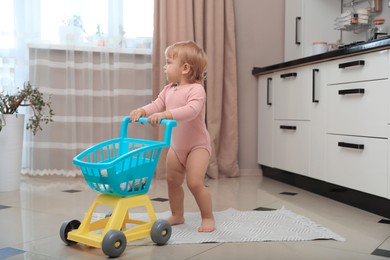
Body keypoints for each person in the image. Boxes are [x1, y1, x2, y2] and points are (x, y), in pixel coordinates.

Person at [129, 40, 215, 232]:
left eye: (168, 62)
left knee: (194, 183)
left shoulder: (197, 90)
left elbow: (191, 111)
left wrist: (167, 114)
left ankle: (208, 216)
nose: (165, 67)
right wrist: (142, 110)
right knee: (173, 182)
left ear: (185, 68)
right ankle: (177, 214)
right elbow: (157, 105)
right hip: (177, 147)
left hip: (197, 146)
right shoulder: (168, 89)